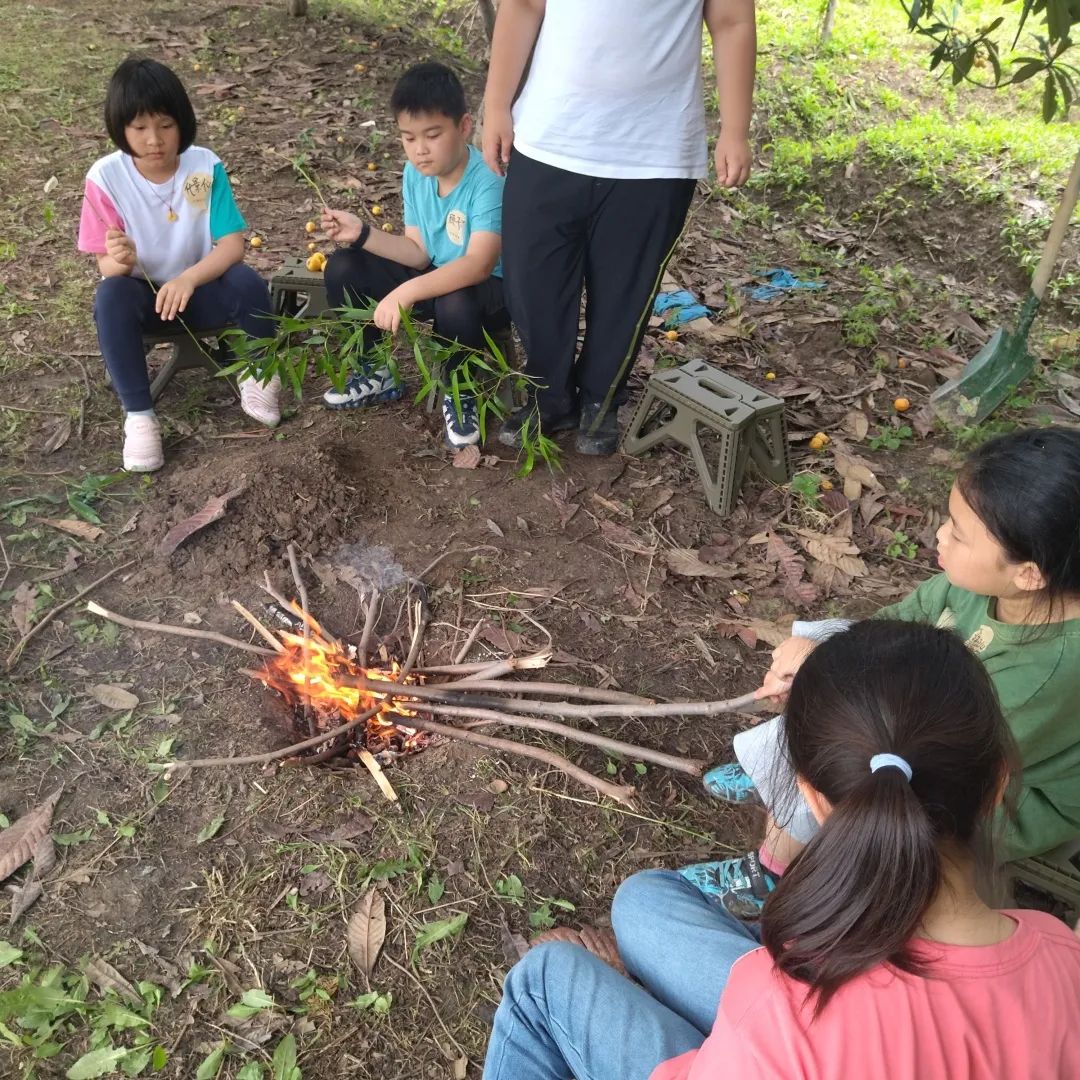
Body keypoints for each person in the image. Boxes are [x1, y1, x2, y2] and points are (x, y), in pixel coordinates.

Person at [484, 620, 1080, 1080]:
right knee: (644, 900)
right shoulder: (1062, 957)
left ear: (813, 801)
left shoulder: (790, 996)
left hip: (776, 1042)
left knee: (545, 978)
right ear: (997, 785)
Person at [689, 426, 1080, 917]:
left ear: (1027, 573)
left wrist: (827, 684)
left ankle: (771, 871)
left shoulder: (1048, 676)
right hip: (936, 700)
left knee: (846, 747)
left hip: (991, 791)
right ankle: (777, 772)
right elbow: (900, 620)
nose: (940, 535)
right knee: (829, 639)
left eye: (957, 534)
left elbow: (938, 751)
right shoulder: (994, 586)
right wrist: (817, 653)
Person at [481, 0, 756, 456]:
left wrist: (735, 129)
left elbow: (732, 22)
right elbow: (524, 6)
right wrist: (497, 105)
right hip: (549, 136)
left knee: (625, 293)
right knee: (532, 284)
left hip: (654, 151)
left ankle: (600, 398)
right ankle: (547, 396)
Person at [78, 56, 279, 473]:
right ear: (121, 129)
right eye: (139, 128)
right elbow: (108, 267)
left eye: (166, 125)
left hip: (200, 290)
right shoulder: (106, 178)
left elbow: (231, 245)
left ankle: (259, 373)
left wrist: (189, 278)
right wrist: (122, 259)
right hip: (145, 300)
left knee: (247, 283)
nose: (154, 139)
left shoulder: (202, 167)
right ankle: (139, 415)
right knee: (110, 295)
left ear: (182, 123)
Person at [319, 62, 508, 450]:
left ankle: (461, 391)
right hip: (434, 278)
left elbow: (479, 264)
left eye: (432, 135)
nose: (420, 150)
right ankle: (374, 371)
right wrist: (362, 234)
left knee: (456, 299)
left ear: (465, 126)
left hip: (487, 292)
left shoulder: (487, 180)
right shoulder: (414, 174)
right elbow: (418, 253)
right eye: (408, 138)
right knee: (344, 265)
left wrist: (406, 294)